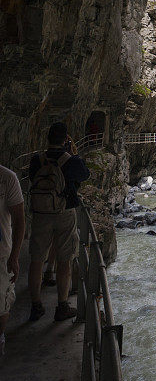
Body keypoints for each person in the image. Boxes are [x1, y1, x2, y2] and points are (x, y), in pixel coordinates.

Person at [28, 122, 90, 322]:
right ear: (65, 140)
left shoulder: (37, 160)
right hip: (64, 212)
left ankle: (36, 305)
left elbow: (31, 179)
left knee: (36, 259)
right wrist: (73, 153)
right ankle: (62, 306)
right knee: (65, 259)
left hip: (40, 213)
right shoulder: (70, 160)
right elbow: (85, 174)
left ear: (47, 139)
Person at [0, 164, 25, 355]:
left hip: (2, 256)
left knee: (2, 305)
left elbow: (19, 219)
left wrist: (14, 256)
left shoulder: (7, 178)